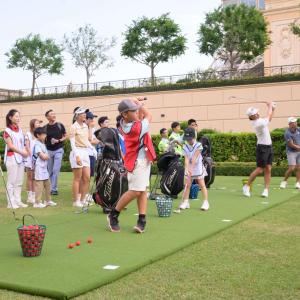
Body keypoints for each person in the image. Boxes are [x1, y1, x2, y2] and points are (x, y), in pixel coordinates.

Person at [107, 98, 156, 233]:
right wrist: (140, 105)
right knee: (136, 191)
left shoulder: (129, 122)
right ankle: (114, 213)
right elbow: (148, 116)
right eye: (133, 111)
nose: (136, 112)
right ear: (125, 114)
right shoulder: (134, 128)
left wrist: (135, 102)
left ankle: (142, 219)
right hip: (136, 162)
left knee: (142, 190)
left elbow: (140, 116)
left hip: (144, 160)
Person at [243, 102, 276, 198]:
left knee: (268, 168)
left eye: (257, 112)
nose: (257, 114)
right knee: (260, 169)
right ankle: (247, 186)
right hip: (262, 148)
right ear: (251, 117)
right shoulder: (257, 123)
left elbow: (269, 118)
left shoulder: (260, 120)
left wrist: (272, 109)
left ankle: (266, 190)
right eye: (255, 114)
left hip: (269, 146)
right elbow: (268, 116)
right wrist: (269, 106)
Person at [178, 127, 209, 211]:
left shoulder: (199, 145)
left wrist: (191, 169)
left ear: (194, 137)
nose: (188, 141)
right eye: (187, 139)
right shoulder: (185, 146)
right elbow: (187, 159)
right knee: (187, 184)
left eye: (190, 139)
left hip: (197, 166)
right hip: (189, 167)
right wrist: (187, 169)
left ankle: (205, 202)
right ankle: (185, 202)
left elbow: (195, 158)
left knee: (201, 184)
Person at [3, 109, 28, 209]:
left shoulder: (20, 130)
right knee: (11, 182)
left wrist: (26, 151)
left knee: (19, 181)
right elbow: (11, 146)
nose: (18, 118)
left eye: (19, 116)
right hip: (11, 158)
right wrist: (23, 152)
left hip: (20, 158)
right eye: (16, 116)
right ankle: (11, 202)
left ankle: (18, 200)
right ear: (10, 118)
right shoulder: (7, 131)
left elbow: (23, 143)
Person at [69, 107, 93, 207]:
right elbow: (72, 143)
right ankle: (76, 201)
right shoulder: (73, 127)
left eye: (85, 114)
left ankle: (83, 199)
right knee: (77, 178)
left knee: (87, 178)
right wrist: (77, 155)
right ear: (77, 115)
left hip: (85, 152)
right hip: (77, 151)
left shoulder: (85, 126)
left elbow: (86, 140)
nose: (85, 115)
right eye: (82, 114)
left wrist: (93, 149)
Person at [32, 127, 57, 208]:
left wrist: (47, 156)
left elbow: (46, 156)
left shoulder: (43, 144)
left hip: (44, 167)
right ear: (38, 135)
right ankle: (37, 202)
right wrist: (47, 156)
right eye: (43, 134)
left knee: (47, 184)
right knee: (39, 185)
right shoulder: (36, 144)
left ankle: (48, 201)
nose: (45, 136)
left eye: (45, 134)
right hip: (38, 167)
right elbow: (43, 156)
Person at [45, 110, 67, 196]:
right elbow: (43, 139)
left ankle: (54, 189)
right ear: (47, 117)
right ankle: (50, 188)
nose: (54, 115)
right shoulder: (45, 128)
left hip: (59, 149)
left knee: (55, 170)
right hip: (49, 151)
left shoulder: (60, 125)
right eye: (51, 114)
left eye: (54, 114)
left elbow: (65, 136)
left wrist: (59, 140)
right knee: (50, 171)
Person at [24, 119, 43, 204]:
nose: (38, 124)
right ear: (32, 125)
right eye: (37, 123)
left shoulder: (39, 135)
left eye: (39, 123)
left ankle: (35, 195)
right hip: (30, 158)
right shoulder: (28, 134)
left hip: (38, 158)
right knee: (30, 177)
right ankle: (30, 196)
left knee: (36, 177)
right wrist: (32, 156)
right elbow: (27, 146)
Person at [280, 117, 300, 189]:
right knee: (292, 168)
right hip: (291, 152)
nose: (295, 123)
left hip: (299, 152)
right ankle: (284, 181)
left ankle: (298, 183)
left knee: (298, 168)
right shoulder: (287, 133)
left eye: (295, 122)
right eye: (293, 122)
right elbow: (291, 145)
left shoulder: (298, 129)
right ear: (290, 124)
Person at [86, 111, 99, 177]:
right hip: (85, 154)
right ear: (86, 119)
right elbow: (89, 139)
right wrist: (90, 128)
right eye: (91, 119)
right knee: (85, 176)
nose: (92, 120)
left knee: (90, 176)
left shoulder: (93, 128)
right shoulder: (83, 128)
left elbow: (97, 141)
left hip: (92, 153)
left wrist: (90, 141)